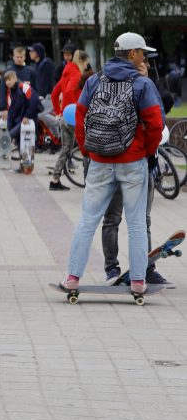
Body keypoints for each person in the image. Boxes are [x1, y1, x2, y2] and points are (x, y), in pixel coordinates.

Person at [61, 32, 164, 296]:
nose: (145, 57)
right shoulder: (142, 85)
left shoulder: (94, 80)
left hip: (99, 162)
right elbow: (155, 123)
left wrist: (87, 150)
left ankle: (73, 277)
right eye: (142, 52)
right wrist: (146, 151)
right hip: (133, 162)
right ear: (132, 54)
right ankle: (139, 281)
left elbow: (80, 116)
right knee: (137, 222)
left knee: (87, 220)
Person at [101, 49, 171, 288]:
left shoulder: (145, 84)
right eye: (143, 56)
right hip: (115, 161)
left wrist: (148, 82)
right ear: (133, 55)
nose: (145, 62)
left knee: (142, 219)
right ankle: (112, 268)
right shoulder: (106, 82)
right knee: (113, 218)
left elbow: (157, 120)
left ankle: (147, 268)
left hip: (142, 162)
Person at [49, 49, 86, 191]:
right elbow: (70, 92)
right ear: (81, 61)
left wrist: (59, 112)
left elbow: (54, 94)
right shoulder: (76, 74)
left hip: (64, 117)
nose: (86, 67)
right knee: (87, 146)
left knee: (66, 149)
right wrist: (76, 112)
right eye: (86, 64)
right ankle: (90, 180)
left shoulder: (66, 73)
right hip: (72, 117)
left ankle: (55, 179)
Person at [4, 70, 39, 148]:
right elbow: (11, 108)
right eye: (6, 80)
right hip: (19, 117)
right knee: (19, 139)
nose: (8, 82)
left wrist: (27, 116)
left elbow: (33, 101)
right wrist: (10, 122)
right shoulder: (11, 91)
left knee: (12, 135)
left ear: (15, 79)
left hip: (28, 117)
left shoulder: (23, 86)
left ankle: (25, 156)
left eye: (9, 79)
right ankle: (21, 156)